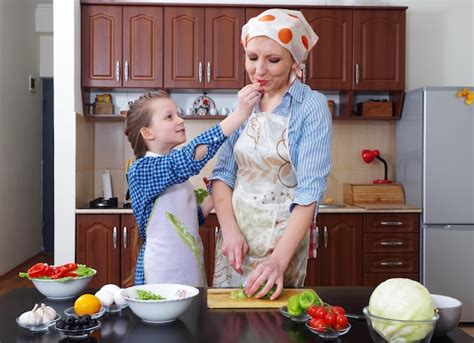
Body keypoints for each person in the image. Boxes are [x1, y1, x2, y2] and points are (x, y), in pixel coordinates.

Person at [210, 8, 332, 299]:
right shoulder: (245, 102)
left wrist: (278, 259)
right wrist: (229, 231)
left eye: (273, 60)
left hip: (282, 245)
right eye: (252, 58)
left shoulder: (310, 106)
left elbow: (309, 192)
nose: (259, 70)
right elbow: (222, 176)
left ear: (294, 60)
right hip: (234, 243)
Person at [125, 89, 262, 286]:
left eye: (178, 114)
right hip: (162, 274)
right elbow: (186, 160)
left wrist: (214, 194)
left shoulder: (175, 174)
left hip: (190, 270)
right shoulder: (142, 169)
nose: (180, 120)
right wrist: (239, 115)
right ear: (147, 133)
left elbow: (187, 221)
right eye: (169, 117)